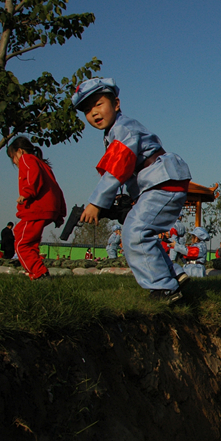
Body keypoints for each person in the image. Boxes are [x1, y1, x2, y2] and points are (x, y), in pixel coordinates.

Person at [73, 78, 191, 301]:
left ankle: (163, 289)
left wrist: (96, 202)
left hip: (163, 180)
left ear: (116, 103)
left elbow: (119, 168)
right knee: (142, 231)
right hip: (161, 180)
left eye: (98, 104)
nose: (94, 113)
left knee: (134, 231)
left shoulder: (124, 128)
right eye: (87, 111)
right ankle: (173, 274)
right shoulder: (115, 132)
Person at [7, 136, 66, 281]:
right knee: (30, 242)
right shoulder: (44, 166)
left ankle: (40, 273)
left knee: (21, 243)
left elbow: (33, 175)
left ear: (20, 151)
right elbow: (56, 188)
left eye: (13, 157)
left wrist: (26, 193)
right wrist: (59, 214)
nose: (14, 162)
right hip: (49, 210)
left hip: (35, 209)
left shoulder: (27, 159)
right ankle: (36, 273)